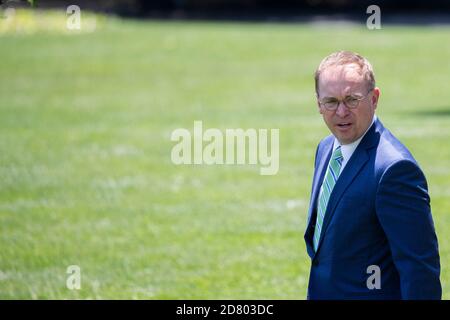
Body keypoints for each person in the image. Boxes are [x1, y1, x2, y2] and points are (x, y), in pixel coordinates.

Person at [304, 51, 441, 299]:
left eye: (352, 99)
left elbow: (419, 270)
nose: (342, 112)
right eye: (331, 101)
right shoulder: (326, 148)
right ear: (318, 103)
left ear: (374, 99)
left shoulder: (394, 170)